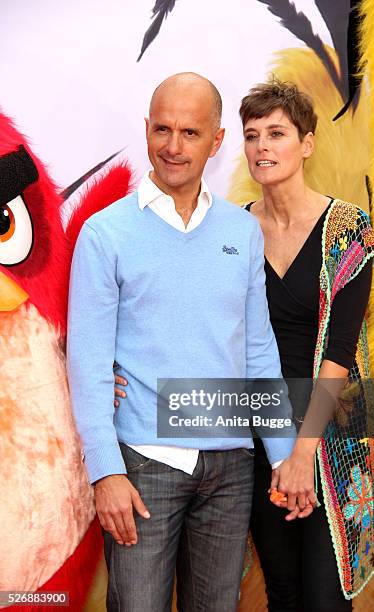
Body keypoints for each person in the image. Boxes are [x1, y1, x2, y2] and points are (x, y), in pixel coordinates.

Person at [67, 72, 301, 612]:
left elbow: (258, 348)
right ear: (147, 129)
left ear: (216, 141)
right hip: (143, 466)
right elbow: (88, 362)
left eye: (191, 133)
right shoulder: (105, 234)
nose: (173, 147)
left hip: (231, 469)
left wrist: (284, 453)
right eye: (163, 130)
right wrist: (105, 471)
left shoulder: (239, 231)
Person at [239, 79, 374, 611]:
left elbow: (341, 352)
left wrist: (302, 453)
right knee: (281, 592)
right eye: (252, 135)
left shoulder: (347, 227)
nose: (262, 147)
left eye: (276, 133)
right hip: (257, 430)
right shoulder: (232, 230)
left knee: (326, 598)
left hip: (331, 436)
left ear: (306, 143)